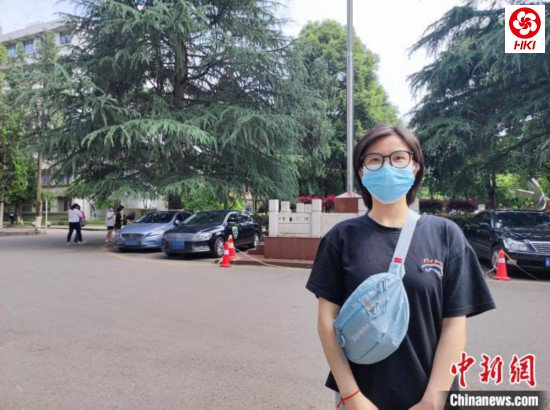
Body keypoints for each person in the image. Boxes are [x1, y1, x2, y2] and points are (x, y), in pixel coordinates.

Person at [306, 124, 496, 410]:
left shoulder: (445, 235)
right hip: (362, 397)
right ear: (362, 172)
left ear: (415, 167)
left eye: (398, 158)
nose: (387, 167)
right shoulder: (341, 238)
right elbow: (326, 322)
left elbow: (454, 324)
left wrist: (433, 399)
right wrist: (352, 396)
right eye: (374, 160)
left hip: (432, 396)